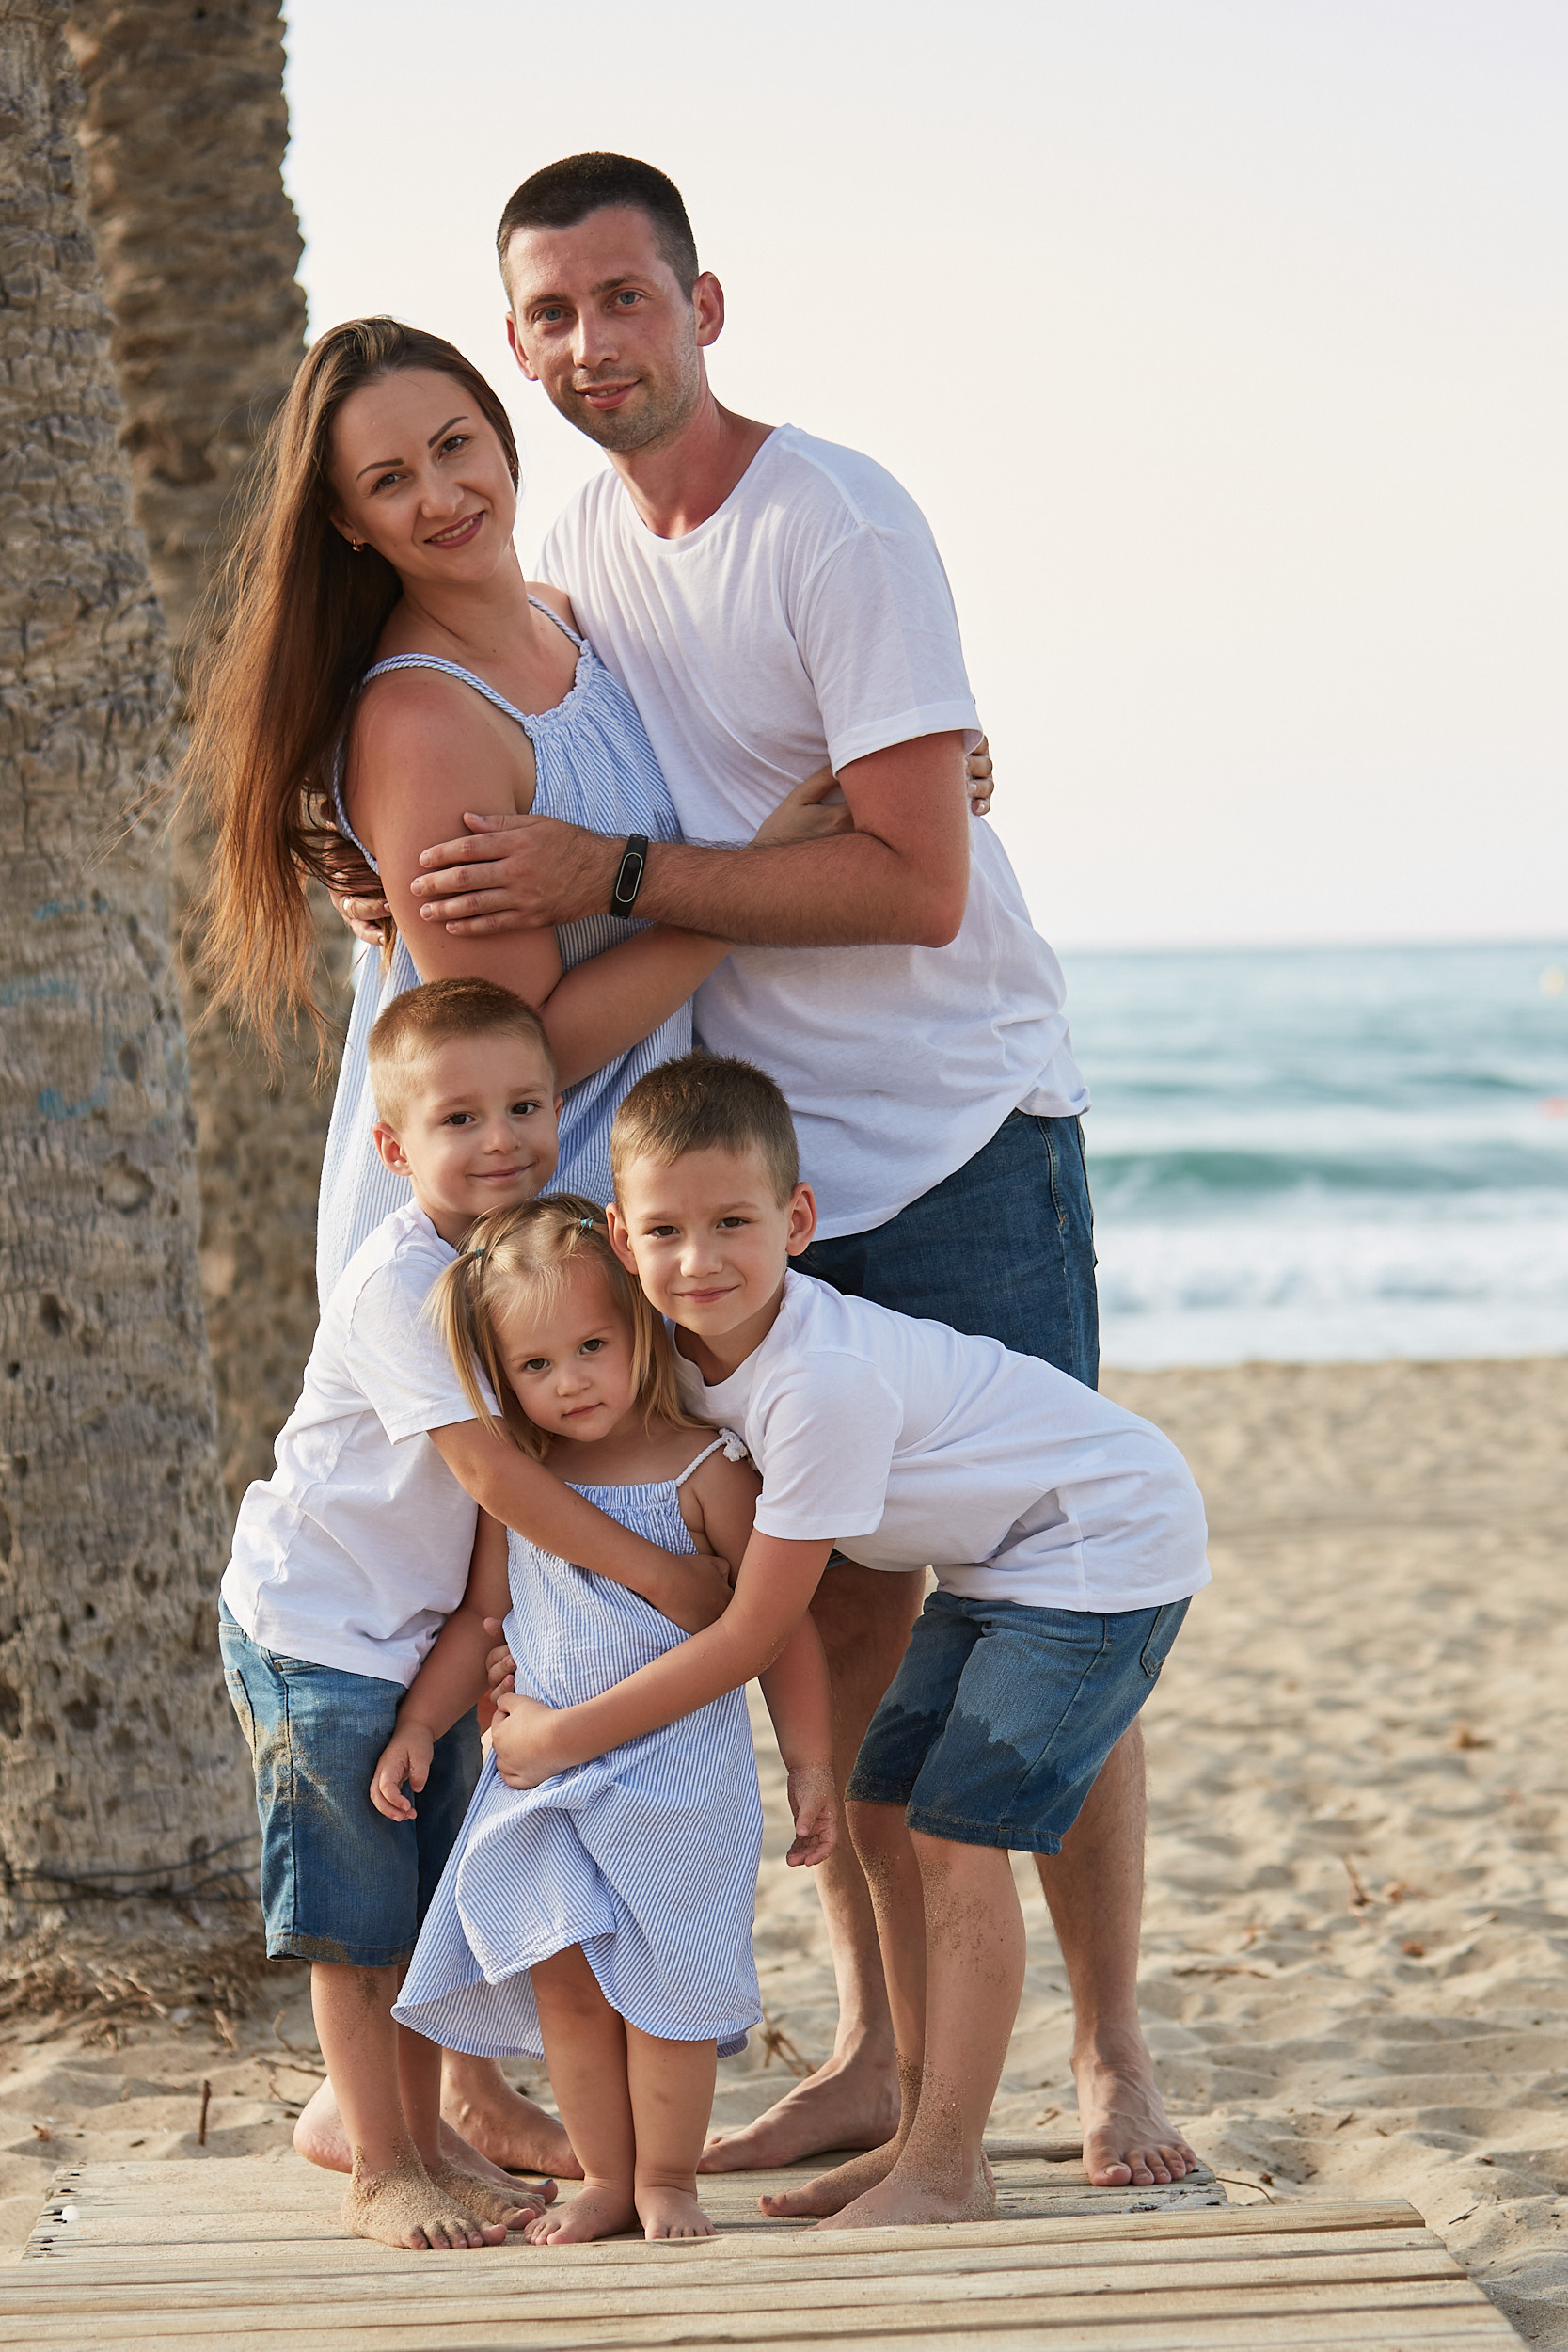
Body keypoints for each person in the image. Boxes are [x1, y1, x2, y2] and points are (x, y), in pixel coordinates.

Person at [344, 151, 1191, 2186]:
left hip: (956, 1133)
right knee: (835, 1621)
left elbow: (912, 882)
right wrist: (365, 867)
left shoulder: (835, 522)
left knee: (1033, 1588)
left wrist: (621, 871)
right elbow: (460, 716)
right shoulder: (568, 550)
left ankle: (1109, 2056)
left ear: (701, 306)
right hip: (737, 1189)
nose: (588, 345)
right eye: (549, 315)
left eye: (621, 298)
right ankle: (882, 2056)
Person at [188, 315, 842, 2178]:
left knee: (505, 1604)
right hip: (479, 1203)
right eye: (388, 480)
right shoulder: (417, 713)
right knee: (443, 1601)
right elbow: (517, 1040)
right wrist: (761, 886)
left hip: (575, 1198)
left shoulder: (560, 619)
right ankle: (418, 2094)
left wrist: (827, 827)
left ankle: (457, 2070)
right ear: (346, 523)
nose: (441, 492)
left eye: (456, 444)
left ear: (499, 430)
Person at [487, 1053, 1210, 2230]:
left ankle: (947, 2166)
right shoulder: (667, 1348)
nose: (698, 1258)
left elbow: (755, 1625)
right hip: (999, 1558)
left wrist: (562, 1736)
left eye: (733, 1223)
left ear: (797, 1221)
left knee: (952, 1833)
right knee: (880, 1813)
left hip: (1099, 1540)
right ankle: (912, 2137)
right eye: (664, 1230)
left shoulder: (814, 1385)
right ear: (621, 1238)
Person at [218, 981, 736, 2249]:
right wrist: (663, 1576)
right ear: (393, 1147)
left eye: (525, 1106)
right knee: (356, 1917)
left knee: (424, 1890)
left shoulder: (521, 1260)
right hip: (322, 1624)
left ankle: (425, 2135)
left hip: (432, 1634)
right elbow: (496, 1477)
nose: (500, 1137)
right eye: (459, 1118)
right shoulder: (399, 1282)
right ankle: (378, 2165)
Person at [372, 1198, 835, 2242]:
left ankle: (667, 2178)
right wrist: (421, 1723)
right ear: (501, 1377)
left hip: (679, 1785)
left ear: (640, 1326)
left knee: (666, 1990)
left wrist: (810, 1764)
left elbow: (782, 1628)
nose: (571, 1380)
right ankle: (607, 2181)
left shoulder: (705, 1469)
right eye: (536, 1364)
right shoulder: (525, 1486)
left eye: (592, 1346)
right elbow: (483, 1618)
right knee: (568, 1986)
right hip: (541, 1787)